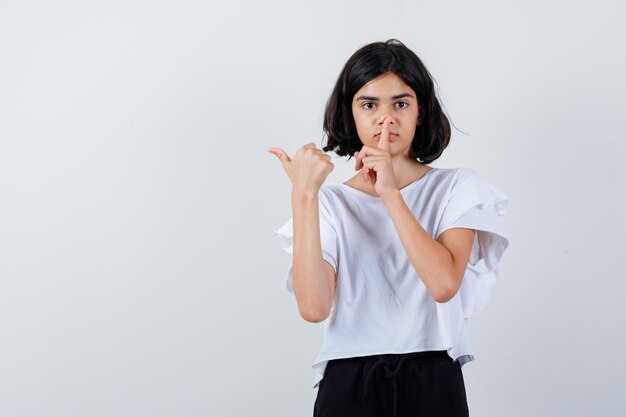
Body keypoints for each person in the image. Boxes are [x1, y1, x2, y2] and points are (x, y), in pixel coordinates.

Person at [268, 39, 510, 417]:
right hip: (348, 378)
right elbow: (314, 307)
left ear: (421, 112)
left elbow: (444, 284)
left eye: (400, 103)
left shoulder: (456, 188)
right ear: (351, 115)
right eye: (369, 105)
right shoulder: (332, 204)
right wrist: (304, 196)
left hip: (432, 372)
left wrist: (390, 192)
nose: (386, 118)